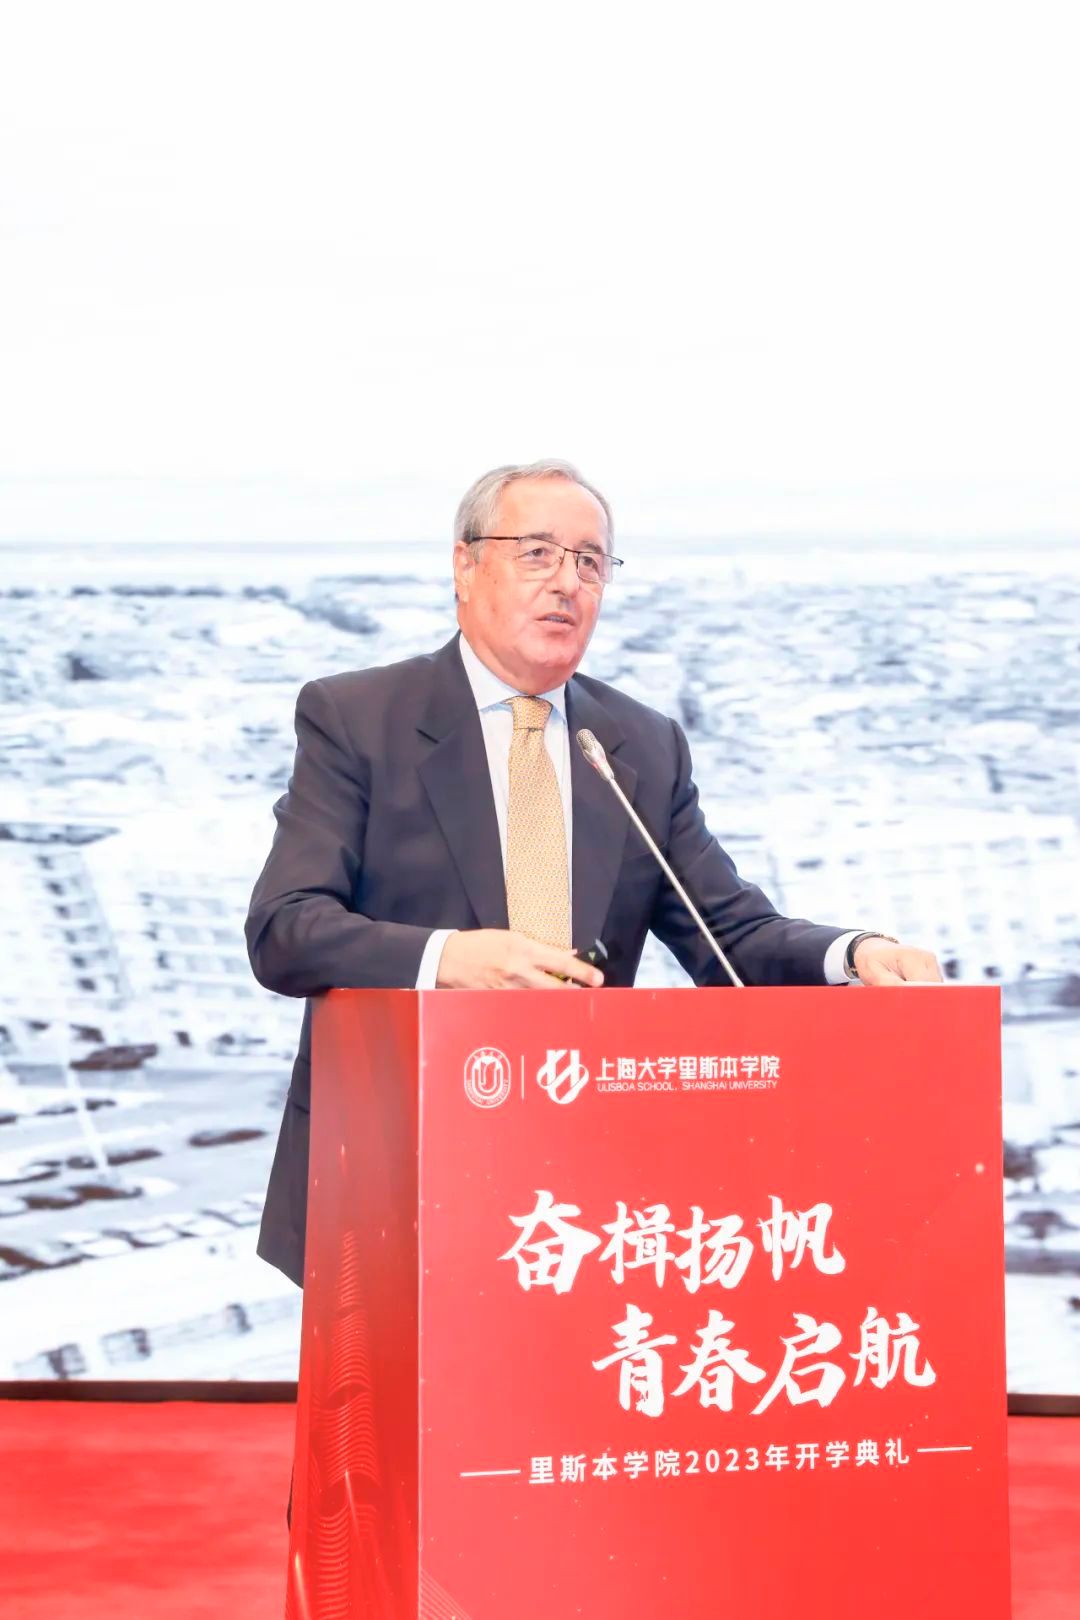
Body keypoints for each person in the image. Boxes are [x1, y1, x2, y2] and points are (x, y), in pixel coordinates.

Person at [246, 460, 942, 1287]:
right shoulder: (359, 718)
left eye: (590, 561)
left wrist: (855, 954)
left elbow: (729, 935)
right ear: (466, 566)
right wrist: (448, 959)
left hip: (579, 1178)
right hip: (396, 1160)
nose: (567, 583)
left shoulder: (639, 743)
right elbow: (286, 928)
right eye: (537, 553)